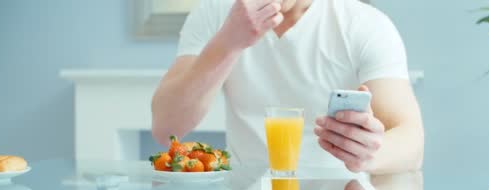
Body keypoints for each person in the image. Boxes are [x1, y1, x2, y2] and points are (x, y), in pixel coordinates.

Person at [151, 0, 424, 175]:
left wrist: (371, 153)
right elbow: (166, 127)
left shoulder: (364, 24)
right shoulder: (215, 15)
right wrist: (228, 42)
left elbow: (412, 143)